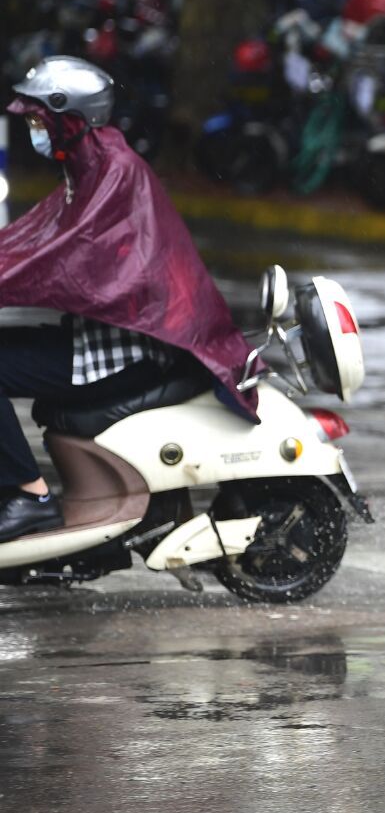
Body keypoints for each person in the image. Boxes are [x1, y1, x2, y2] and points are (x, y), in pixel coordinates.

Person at [0, 56, 258, 541]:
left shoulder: (114, 173)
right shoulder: (89, 164)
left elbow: (62, 258)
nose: (33, 128)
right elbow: (34, 238)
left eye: (38, 119)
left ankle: (31, 496)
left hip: (124, 353)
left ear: (68, 117)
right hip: (96, 342)